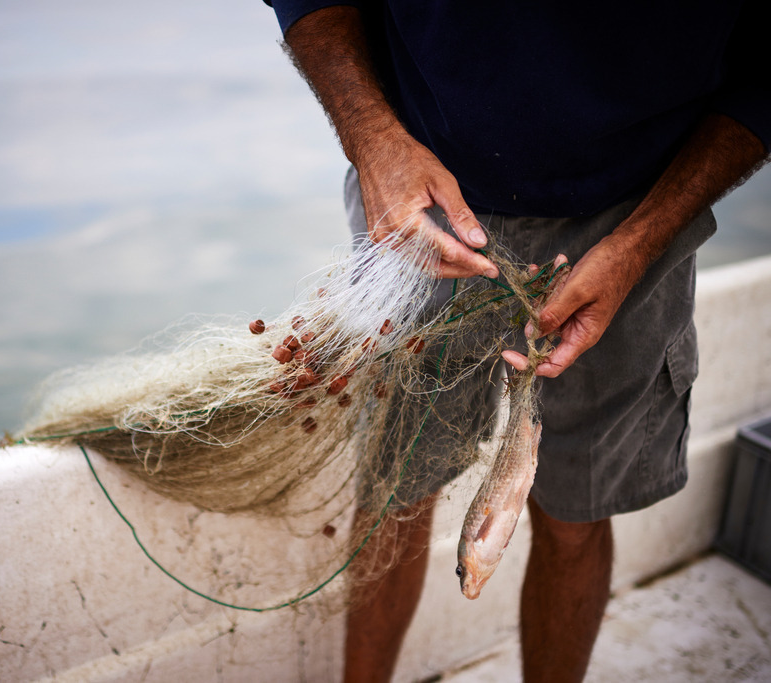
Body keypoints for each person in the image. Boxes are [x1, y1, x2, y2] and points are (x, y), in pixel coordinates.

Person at [264, 2, 769, 681]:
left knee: (575, 513)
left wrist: (641, 242)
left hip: (636, 211)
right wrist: (372, 135)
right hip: (422, 197)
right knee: (394, 491)